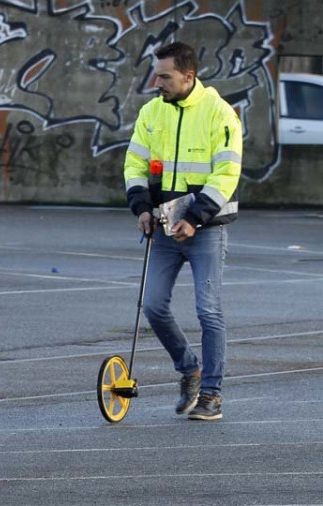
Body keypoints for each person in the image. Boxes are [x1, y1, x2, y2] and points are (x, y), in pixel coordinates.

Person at [123, 41, 242, 421]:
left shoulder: (220, 114)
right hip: (162, 227)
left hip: (205, 229)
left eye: (164, 75)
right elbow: (134, 163)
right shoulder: (151, 112)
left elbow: (226, 174)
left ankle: (212, 393)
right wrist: (141, 207)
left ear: (188, 76)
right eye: (157, 74)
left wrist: (195, 218)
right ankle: (189, 368)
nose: (156, 81)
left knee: (209, 311)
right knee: (154, 306)